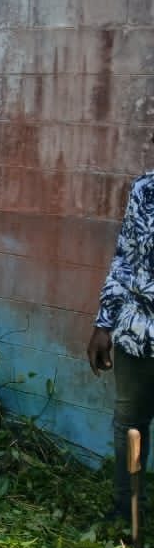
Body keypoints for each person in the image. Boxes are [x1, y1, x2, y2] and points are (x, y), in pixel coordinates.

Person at [86, 171, 154, 521]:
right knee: (130, 424)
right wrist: (104, 324)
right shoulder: (145, 189)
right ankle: (127, 513)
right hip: (138, 331)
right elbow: (125, 259)